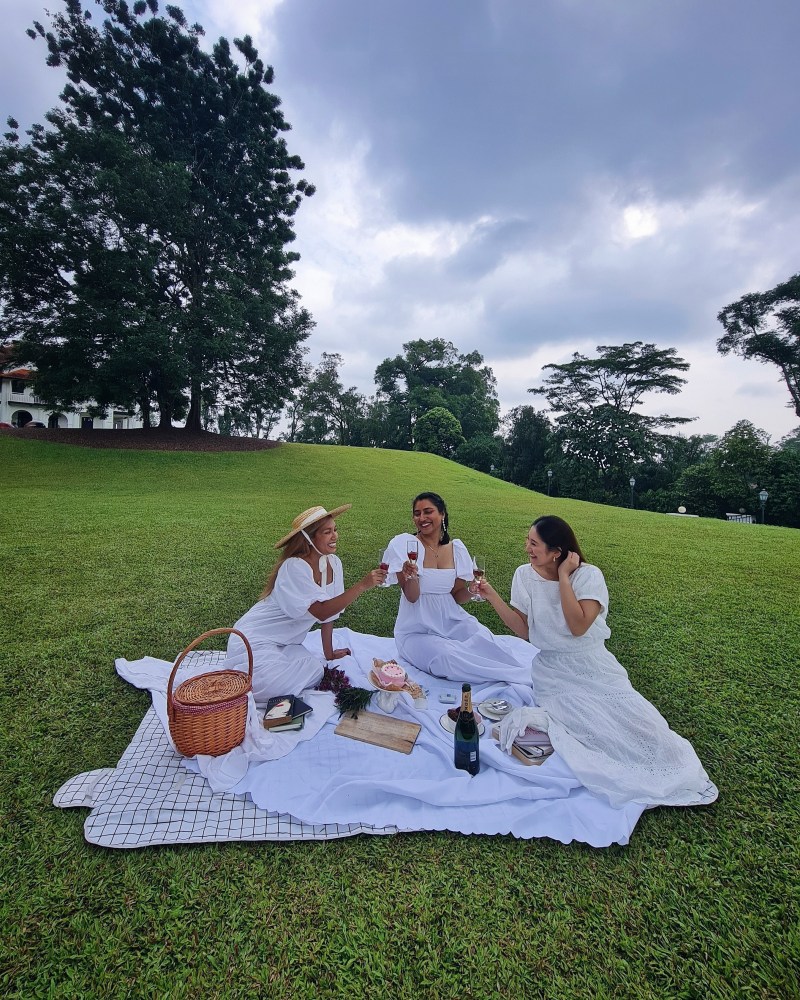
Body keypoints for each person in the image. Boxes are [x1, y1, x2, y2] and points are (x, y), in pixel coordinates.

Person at [478, 514, 718, 808]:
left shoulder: (589, 576)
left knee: (641, 724)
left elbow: (578, 626)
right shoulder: (523, 575)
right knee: (589, 728)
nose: (527, 548)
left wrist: (565, 577)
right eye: (527, 541)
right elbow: (524, 630)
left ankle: (674, 772)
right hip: (552, 673)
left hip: (593, 665)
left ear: (557, 552)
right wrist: (491, 596)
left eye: (534, 543)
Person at [225, 505, 387, 703]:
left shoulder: (334, 563)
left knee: (316, 670)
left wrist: (328, 653)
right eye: (327, 532)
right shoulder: (294, 566)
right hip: (253, 638)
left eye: (335, 529)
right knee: (267, 684)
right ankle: (254, 681)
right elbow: (320, 611)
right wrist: (362, 585)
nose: (335, 536)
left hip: (286, 643)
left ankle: (274, 678)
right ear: (309, 538)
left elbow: (330, 613)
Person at [381, 492, 533, 687]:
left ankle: (524, 672)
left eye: (428, 512)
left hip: (451, 620)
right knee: (447, 657)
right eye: (417, 513)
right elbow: (412, 597)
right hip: (416, 630)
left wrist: (472, 590)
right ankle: (514, 677)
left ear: (442, 514)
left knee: (485, 640)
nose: (422, 518)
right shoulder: (404, 545)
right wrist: (411, 577)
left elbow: (456, 596)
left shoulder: (456, 548)